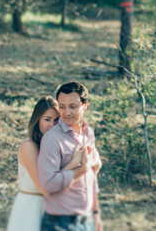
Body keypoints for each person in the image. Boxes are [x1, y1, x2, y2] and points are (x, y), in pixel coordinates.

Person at [6, 96, 94, 231]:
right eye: (47, 119)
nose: (52, 125)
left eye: (57, 120)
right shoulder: (29, 146)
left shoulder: (54, 145)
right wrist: (74, 163)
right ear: (37, 120)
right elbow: (44, 186)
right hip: (32, 207)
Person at [38, 82, 103, 231]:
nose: (66, 112)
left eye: (72, 106)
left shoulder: (88, 132)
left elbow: (91, 177)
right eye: (62, 107)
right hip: (60, 223)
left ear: (85, 105)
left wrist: (95, 213)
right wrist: (82, 169)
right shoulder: (52, 139)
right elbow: (47, 185)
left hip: (86, 221)